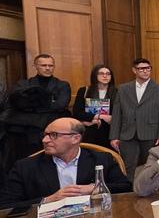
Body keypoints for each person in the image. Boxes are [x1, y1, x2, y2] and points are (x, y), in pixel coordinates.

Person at [0, 117, 131, 210]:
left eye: (53, 135)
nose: (45, 140)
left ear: (75, 138)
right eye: (45, 135)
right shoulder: (25, 167)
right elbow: (6, 205)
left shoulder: (101, 159)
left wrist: (94, 188)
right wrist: (48, 200)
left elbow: (125, 188)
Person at [2, 54, 71, 169]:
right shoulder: (23, 84)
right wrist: (48, 102)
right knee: (28, 164)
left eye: (50, 65)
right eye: (44, 65)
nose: (48, 68)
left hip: (53, 131)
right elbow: (18, 104)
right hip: (26, 135)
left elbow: (60, 105)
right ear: (35, 66)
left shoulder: (62, 85)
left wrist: (32, 105)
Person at [110, 58, 159, 178]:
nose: (145, 71)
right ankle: (129, 189)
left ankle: (148, 188)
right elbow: (117, 113)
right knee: (128, 166)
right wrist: (114, 136)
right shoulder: (123, 88)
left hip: (151, 133)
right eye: (141, 69)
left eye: (148, 68)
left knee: (150, 165)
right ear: (134, 70)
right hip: (127, 134)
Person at [72, 64, 116, 148]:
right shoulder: (84, 91)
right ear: (95, 75)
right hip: (89, 130)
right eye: (101, 73)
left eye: (108, 74)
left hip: (109, 132)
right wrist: (100, 116)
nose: (105, 76)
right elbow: (77, 113)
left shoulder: (117, 92)